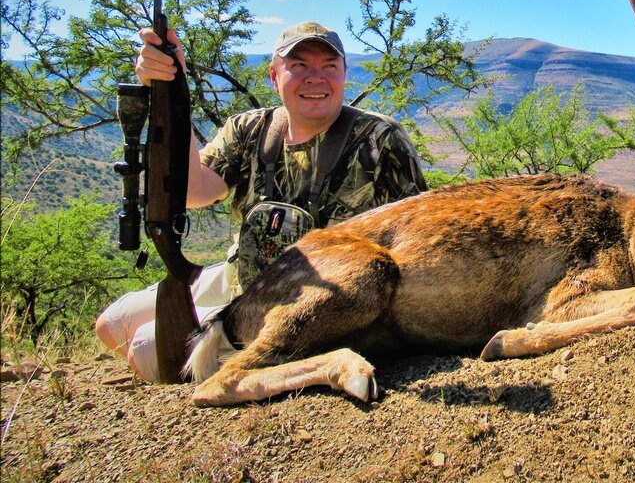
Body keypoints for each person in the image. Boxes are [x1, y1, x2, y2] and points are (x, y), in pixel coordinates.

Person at [95, 21, 428, 381]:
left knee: (145, 350)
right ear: (274, 76)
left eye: (329, 67)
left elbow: (418, 239)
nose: (316, 78)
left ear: (345, 75)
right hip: (241, 277)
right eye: (299, 66)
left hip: (316, 302)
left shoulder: (381, 139)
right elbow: (194, 192)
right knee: (110, 326)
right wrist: (173, 91)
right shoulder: (248, 129)